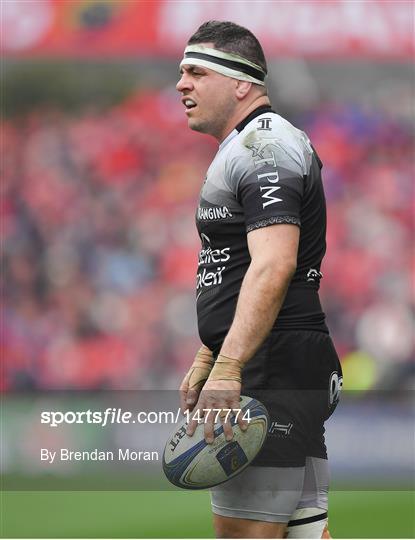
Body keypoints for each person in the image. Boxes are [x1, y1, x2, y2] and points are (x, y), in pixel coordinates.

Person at [176, 21, 342, 539]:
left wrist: (229, 367)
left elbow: (274, 264)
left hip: (269, 365)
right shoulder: (247, 146)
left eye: (196, 72)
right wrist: (210, 355)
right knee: (304, 532)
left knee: (247, 533)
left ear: (241, 82)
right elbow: (239, 269)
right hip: (280, 357)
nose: (181, 84)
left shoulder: (262, 148)